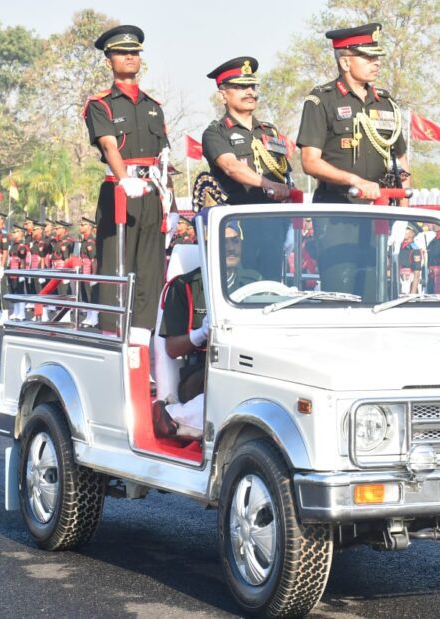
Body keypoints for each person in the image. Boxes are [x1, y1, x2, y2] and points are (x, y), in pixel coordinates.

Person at [297, 23, 408, 295]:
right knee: (341, 291)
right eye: (368, 57)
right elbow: (310, 161)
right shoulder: (321, 100)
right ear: (345, 62)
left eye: (377, 57)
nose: (376, 63)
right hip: (338, 212)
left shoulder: (385, 102)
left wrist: (404, 210)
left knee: (377, 291)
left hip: (379, 211)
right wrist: (355, 180)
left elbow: (401, 158)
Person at [84, 24, 168, 341]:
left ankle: (141, 339)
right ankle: (112, 335)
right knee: (116, 267)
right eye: (122, 53)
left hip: (151, 191)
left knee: (149, 268)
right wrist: (125, 179)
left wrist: (168, 198)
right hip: (120, 191)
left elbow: (164, 155)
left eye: (134, 53)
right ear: (110, 61)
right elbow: (108, 145)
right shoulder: (101, 103)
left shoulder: (152, 107)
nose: (130, 58)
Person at [155, 219, 261, 438]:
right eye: (224, 242)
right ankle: (176, 416)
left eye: (235, 241)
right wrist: (201, 333)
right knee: (232, 384)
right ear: (209, 246)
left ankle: (182, 418)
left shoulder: (254, 281)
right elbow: (172, 349)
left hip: (249, 364)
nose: (231, 247)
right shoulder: (184, 286)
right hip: (201, 371)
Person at [199, 56, 292, 280]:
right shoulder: (216, 132)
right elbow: (231, 167)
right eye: (240, 87)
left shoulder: (269, 131)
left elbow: (284, 174)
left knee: (272, 286)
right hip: (237, 226)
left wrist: (289, 220)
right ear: (223, 95)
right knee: (241, 284)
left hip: (272, 223)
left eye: (252, 86)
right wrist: (268, 185)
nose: (250, 92)